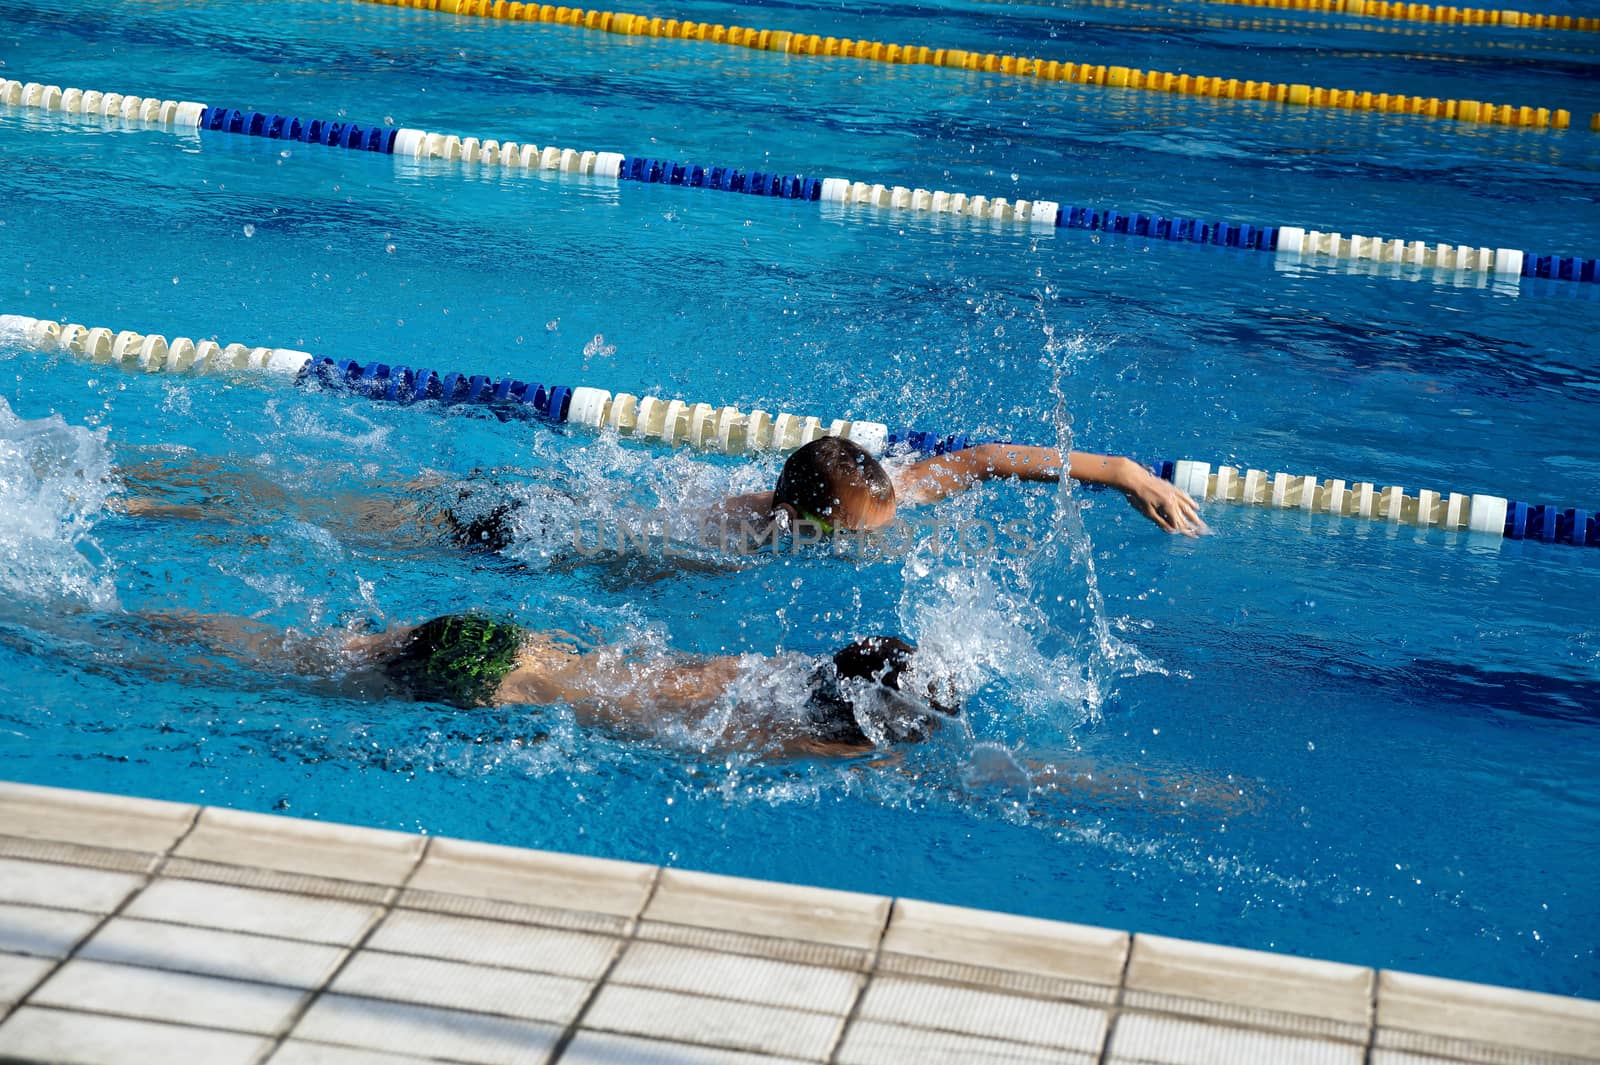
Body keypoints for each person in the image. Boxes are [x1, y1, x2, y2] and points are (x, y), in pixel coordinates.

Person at [148, 610, 960, 758]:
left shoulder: (780, 671)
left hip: (507, 639)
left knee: (287, 652)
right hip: (485, 682)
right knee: (261, 670)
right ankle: (101, 631)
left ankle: (138, 620)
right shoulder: (790, 736)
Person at [712, 437, 1207, 541]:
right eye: (852, 537)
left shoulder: (883, 495)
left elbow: (986, 460)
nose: (871, 543)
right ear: (792, 517)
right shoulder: (735, 533)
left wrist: (1123, 471)